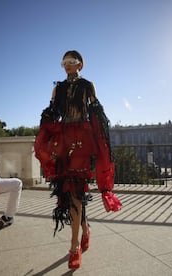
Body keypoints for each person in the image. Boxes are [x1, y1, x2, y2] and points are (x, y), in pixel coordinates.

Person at [34, 50, 121, 269]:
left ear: (80, 64)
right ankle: (85, 230)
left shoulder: (87, 85)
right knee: (72, 193)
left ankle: (74, 247)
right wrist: (45, 131)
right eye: (64, 62)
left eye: (71, 62)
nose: (67, 65)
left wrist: (102, 143)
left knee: (75, 192)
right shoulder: (58, 88)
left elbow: (96, 113)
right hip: (64, 139)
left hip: (82, 140)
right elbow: (53, 112)